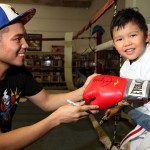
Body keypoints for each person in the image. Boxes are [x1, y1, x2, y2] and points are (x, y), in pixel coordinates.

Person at [0, 4, 100, 150]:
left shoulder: (18, 72)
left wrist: (85, 90)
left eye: (25, 38)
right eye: (18, 39)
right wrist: (56, 119)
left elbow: (46, 102)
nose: (26, 45)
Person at [104, 8, 150, 149]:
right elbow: (128, 93)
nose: (127, 43)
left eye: (133, 35)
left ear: (146, 36)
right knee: (125, 146)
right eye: (120, 39)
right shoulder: (125, 68)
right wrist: (117, 107)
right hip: (144, 119)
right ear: (114, 44)